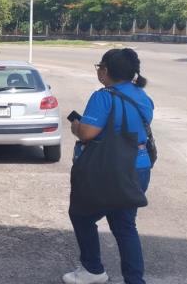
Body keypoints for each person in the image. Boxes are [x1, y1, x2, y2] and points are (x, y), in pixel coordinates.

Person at [64, 48, 153, 284]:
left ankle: (92, 269)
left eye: (99, 67)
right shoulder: (142, 95)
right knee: (125, 224)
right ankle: (135, 280)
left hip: (110, 169)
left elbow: (87, 133)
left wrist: (75, 124)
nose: (98, 72)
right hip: (139, 167)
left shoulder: (104, 96)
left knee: (81, 215)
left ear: (105, 70)